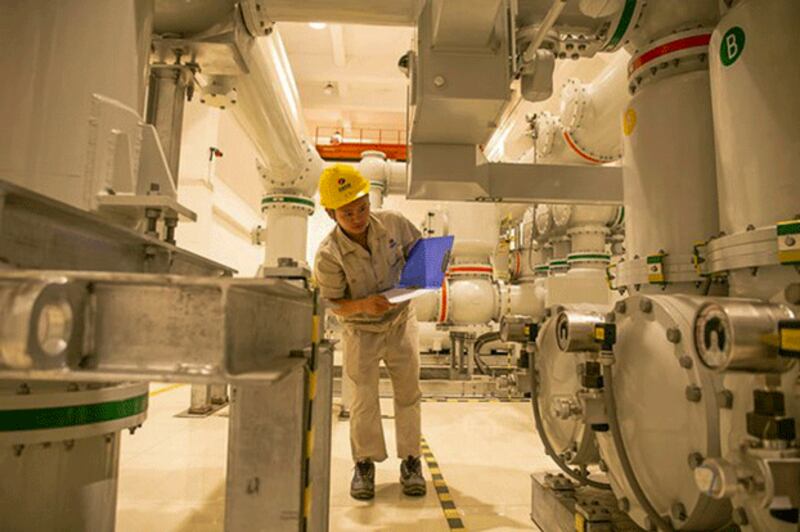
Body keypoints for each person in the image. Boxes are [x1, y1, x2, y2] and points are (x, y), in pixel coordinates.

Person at [313, 163, 426, 500]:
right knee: (363, 400)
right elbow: (334, 304)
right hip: (360, 330)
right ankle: (364, 464)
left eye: (362, 207)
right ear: (332, 214)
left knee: (409, 394)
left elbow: (420, 254)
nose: (359, 217)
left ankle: (411, 461)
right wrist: (363, 305)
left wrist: (428, 271)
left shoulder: (394, 223)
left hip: (401, 323)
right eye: (348, 213)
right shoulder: (328, 255)